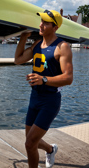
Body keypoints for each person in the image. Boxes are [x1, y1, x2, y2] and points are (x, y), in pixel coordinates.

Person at [14, 10, 73, 168]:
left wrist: (43, 79)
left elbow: (68, 78)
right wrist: (23, 38)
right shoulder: (37, 44)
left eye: (46, 22)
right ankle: (50, 149)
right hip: (34, 98)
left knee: (29, 144)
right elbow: (18, 60)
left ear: (55, 27)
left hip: (50, 101)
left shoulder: (62, 47)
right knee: (30, 141)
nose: (41, 24)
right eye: (41, 21)